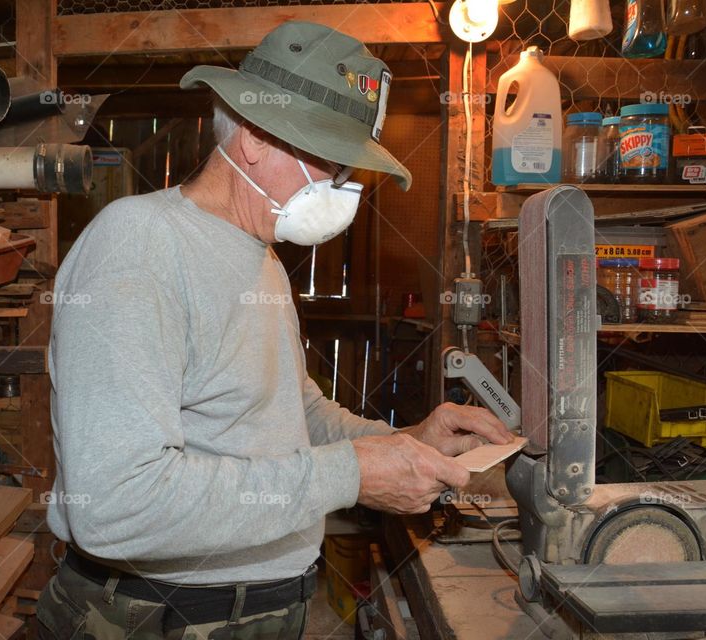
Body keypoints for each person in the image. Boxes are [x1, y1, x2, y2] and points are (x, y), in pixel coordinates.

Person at [37, 20, 512, 640]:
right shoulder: (139, 247)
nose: (347, 187)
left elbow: (291, 413)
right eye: (331, 160)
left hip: (257, 610)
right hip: (155, 617)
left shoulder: (260, 259)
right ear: (256, 136)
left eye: (350, 167)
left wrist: (404, 443)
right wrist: (354, 474)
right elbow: (114, 504)